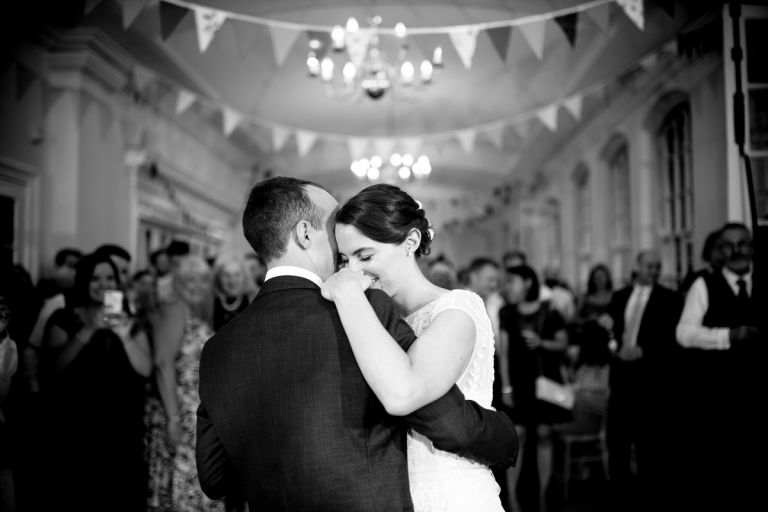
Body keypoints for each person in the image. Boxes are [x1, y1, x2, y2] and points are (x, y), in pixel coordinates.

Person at [196, 177, 517, 511]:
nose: (347, 264)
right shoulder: (361, 310)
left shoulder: (217, 350)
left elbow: (214, 477)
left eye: (363, 254)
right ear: (306, 233)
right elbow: (446, 421)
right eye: (337, 236)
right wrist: (506, 435)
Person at [321, 183, 512, 511]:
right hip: (383, 493)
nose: (353, 270)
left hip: (450, 493)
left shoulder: (457, 309)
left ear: (410, 241)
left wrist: (346, 293)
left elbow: (403, 394)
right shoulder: (366, 317)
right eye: (344, 260)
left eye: (365, 255)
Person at [40, 251, 152, 512]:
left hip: (122, 431)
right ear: (83, 281)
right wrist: (88, 329)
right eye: (95, 278)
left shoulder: (129, 323)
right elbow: (51, 370)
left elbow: (145, 369)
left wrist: (123, 336)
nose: (104, 284)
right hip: (75, 431)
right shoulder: (65, 318)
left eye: (110, 278)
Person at [675, 222, 763, 511]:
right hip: (718, 399)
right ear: (720, 250)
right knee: (721, 472)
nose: (736, 250)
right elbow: (684, 334)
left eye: (742, 244)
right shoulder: (704, 285)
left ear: (752, 247)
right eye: (728, 245)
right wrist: (727, 335)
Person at [145, 254, 222, 512]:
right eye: (190, 279)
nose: (197, 284)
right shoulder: (174, 308)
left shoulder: (198, 310)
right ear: (178, 282)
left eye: (203, 279)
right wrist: (173, 418)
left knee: (196, 488)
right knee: (181, 491)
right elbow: (162, 363)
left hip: (195, 415)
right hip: (178, 412)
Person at [606, 249, 682, 509]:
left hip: (651, 383)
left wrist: (643, 351)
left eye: (657, 266)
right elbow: (612, 333)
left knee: (649, 445)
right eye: (649, 265)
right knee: (617, 444)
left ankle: (648, 497)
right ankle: (620, 497)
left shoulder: (670, 299)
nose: (654, 270)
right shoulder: (619, 297)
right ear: (636, 266)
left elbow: (674, 343)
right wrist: (611, 339)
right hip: (620, 381)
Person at [499, 264, 570, 512]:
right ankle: (514, 499)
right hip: (518, 382)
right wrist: (506, 386)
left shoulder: (550, 312)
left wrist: (542, 342)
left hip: (543, 380)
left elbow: (563, 343)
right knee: (517, 435)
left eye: (512, 281)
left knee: (543, 435)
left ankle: (543, 496)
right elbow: (504, 353)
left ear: (528, 282)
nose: (507, 286)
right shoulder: (507, 313)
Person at [211, 253, 256, 331]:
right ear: (218, 277)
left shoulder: (254, 300)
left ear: (244, 277)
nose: (232, 281)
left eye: (237, 275)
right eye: (226, 275)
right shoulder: (210, 302)